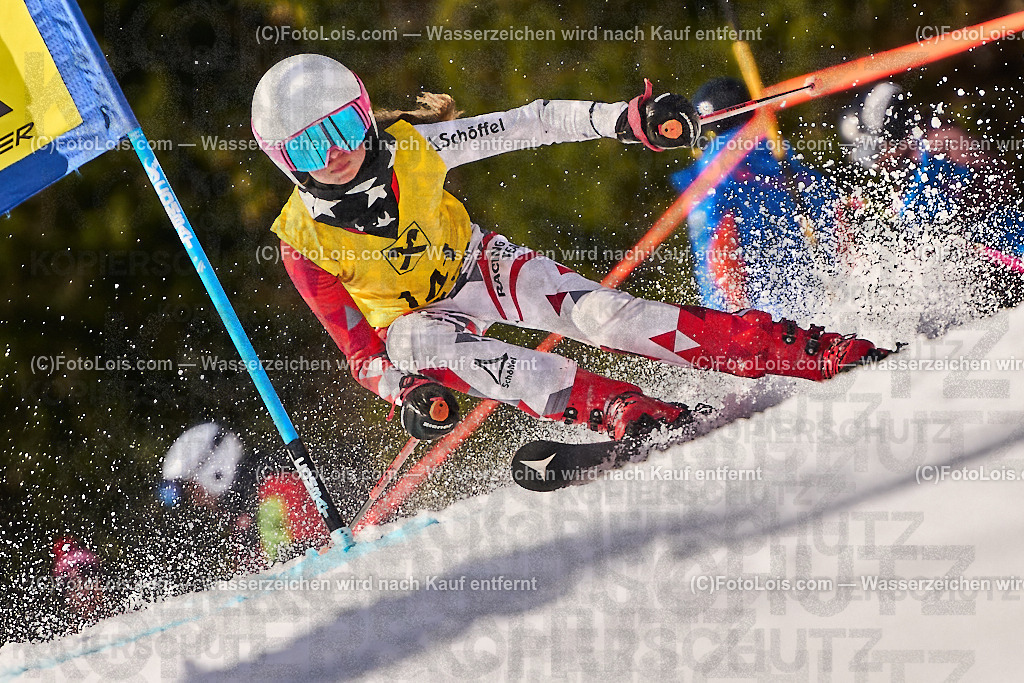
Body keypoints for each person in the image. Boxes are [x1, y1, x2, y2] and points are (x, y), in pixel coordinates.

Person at [250, 54, 885, 444]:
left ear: (363, 114)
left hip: (476, 266)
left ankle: (803, 351)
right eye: (309, 145)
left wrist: (623, 120)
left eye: (340, 126)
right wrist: (404, 394)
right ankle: (615, 408)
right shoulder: (302, 244)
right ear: (284, 161)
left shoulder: (417, 145)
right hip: (415, 326)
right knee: (428, 345)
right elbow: (361, 354)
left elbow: (533, 121)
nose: (334, 152)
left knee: (608, 317)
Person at [51, 536, 108, 625]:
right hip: (89, 580)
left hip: (76, 585)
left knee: (82, 606)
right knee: (96, 600)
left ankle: (85, 620)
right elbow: (96, 564)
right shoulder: (83, 554)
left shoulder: (60, 565)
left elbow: (60, 583)